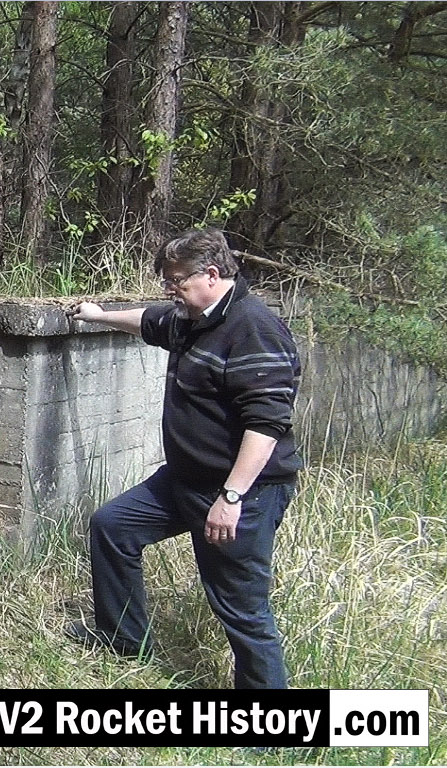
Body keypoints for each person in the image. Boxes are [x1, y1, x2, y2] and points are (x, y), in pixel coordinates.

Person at [66, 227, 302, 689]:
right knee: (113, 527)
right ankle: (124, 641)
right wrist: (98, 315)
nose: (169, 290)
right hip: (184, 480)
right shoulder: (193, 316)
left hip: (241, 493)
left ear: (212, 274)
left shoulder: (254, 329)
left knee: (240, 607)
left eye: (176, 280)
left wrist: (231, 497)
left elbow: (266, 424)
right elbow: (150, 321)